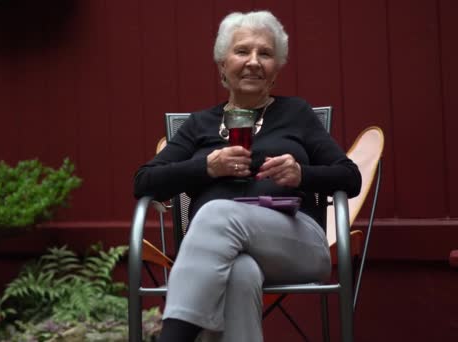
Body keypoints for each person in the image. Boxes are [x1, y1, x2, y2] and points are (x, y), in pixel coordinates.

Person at [133, 10, 361, 342]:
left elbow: (349, 177)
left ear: (275, 70)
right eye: (242, 51)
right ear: (222, 65)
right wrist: (207, 168)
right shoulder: (198, 125)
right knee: (239, 274)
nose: (253, 61)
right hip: (218, 251)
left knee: (217, 213)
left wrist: (301, 174)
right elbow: (144, 181)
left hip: (295, 242)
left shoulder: (296, 114)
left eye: (265, 53)